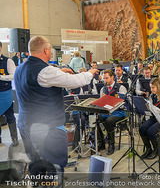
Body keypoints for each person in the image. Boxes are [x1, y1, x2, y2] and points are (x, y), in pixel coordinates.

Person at [14, 36, 98, 171]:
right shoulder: (45, 70)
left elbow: (39, 84)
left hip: (26, 125)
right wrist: (89, 73)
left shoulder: (20, 68)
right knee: (53, 168)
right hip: (47, 129)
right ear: (46, 50)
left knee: (37, 165)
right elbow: (76, 81)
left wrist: (59, 73)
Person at [139, 77, 160, 159]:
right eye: (151, 87)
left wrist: (154, 108)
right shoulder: (152, 96)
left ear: (158, 87)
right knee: (142, 128)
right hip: (156, 117)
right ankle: (148, 149)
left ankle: (156, 150)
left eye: (153, 87)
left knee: (151, 131)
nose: (151, 90)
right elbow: (151, 109)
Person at [99, 69, 127, 155]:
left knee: (109, 121)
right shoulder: (103, 89)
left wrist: (110, 101)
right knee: (95, 118)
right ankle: (101, 141)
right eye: (104, 78)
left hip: (119, 112)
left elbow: (123, 104)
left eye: (107, 78)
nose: (105, 80)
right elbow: (101, 104)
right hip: (107, 111)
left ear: (112, 77)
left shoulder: (121, 88)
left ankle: (111, 143)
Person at [0, 42, 18, 146]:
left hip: (5, 93)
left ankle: (14, 139)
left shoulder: (8, 61)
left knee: (9, 115)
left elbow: (13, 76)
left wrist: (1, 77)